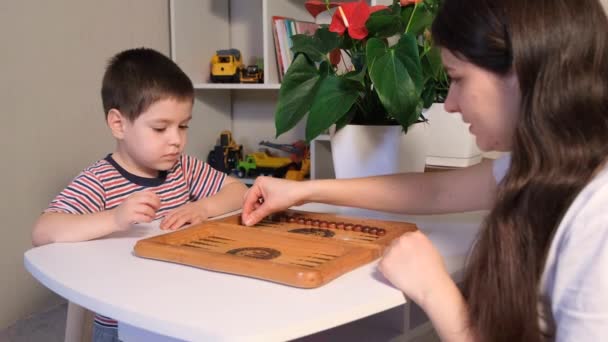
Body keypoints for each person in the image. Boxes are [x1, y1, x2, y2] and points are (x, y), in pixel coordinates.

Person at [242, 0, 608, 340]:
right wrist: (304, 190)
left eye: (459, 78)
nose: (449, 103)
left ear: (521, 71)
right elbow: (435, 191)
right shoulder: (548, 164)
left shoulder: (598, 215)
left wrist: (434, 290)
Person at [32, 48, 248, 342]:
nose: (177, 140)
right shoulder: (101, 180)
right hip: (122, 321)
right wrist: (115, 218)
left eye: (183, 126)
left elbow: (238, 191)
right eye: (160, 128)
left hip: (182, 307)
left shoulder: (183, 168)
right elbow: (44, 231)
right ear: (119, 124)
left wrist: (204, 208)